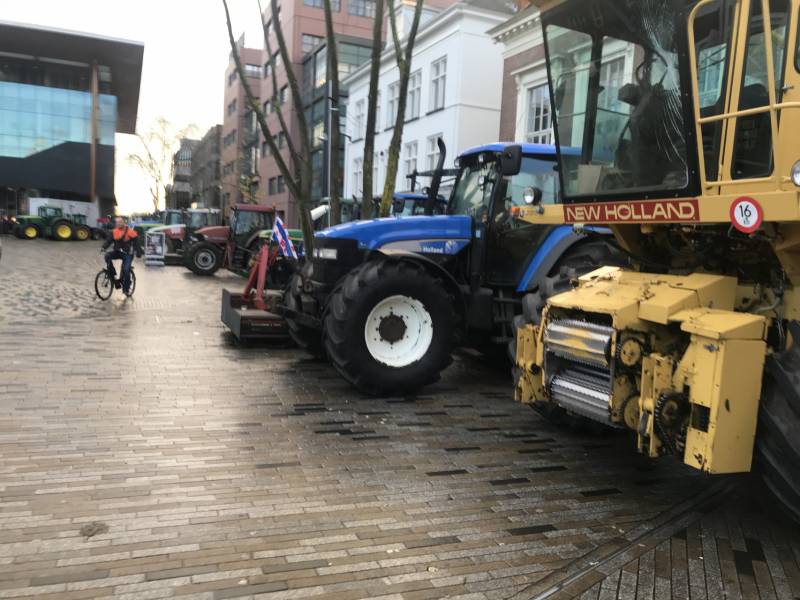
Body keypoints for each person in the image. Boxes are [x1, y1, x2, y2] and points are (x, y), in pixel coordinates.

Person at [101, 217, 142, 294]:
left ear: (123, 222)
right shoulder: (114, 232)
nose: (118, 224)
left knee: (126, 270)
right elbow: (109, 241)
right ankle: (113, 275)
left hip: (127, 254)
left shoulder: (130, 231)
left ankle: (126, 289)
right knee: (107, 256)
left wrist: (138, 252)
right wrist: (103, 247)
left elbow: (136, 242)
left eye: (120, 222)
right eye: (117, 222)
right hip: (118, 252)